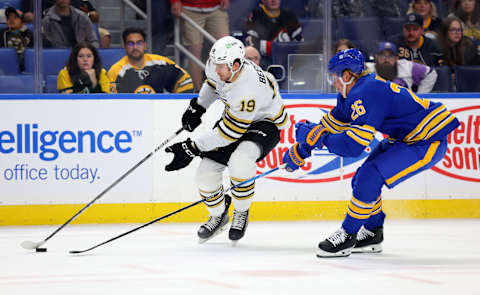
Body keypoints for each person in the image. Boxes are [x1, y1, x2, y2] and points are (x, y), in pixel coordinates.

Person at [282, 48, 459, 257]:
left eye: (334, 78)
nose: (333, 83)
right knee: (360, 179)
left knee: (369, 177)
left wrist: (317, 138)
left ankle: (348, 235)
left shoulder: (366, 92)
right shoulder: (353, 92)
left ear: (346, 75)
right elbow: (329, 126)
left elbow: (353, 146)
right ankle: (373, 232)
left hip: (427, 141)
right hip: (406, 139)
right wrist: (303, 149)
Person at [164, 36, 288, 245]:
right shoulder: (218, 65)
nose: (216, 70)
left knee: (240, 162)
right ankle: (219, 215)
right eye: (214, 64)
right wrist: (199, 106)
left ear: (237, 65)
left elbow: (230, 133)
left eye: (221, 67)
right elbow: (213, 83)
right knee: (205, 175)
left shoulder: (248, 90)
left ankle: (241, 212)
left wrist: (191, 147)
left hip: (266, 122)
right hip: (235, 117)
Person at [108, 27, 193, 94]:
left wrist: (175, 103)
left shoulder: (162, 63)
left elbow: (185, 81)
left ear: (145, 45)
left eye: (139, 43)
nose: (135, 47)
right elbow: (112, 100)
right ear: (125, 47)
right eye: (130, 43)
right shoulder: (116, 71)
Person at [170, 0, 230, 91]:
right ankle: (197, 91)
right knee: (195, 49)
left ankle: (214, 85)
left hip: (217, 7)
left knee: (225, 44)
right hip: (189, 7)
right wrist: (175, 1)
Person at [245, 0, 304, 68]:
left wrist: (281, 49)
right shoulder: (256, 14)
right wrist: (281, 48)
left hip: (287, 60)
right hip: (264, 61)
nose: (273, 0)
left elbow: (299, 41)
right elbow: (251, 43)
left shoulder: (289, 14)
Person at [366, 42, 438, 93]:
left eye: (390, 56)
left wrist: (421, 96)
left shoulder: (407, 67)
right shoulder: (367, 69)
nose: (386, 60)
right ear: (376, 57)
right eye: (382, 56)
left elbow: (431, 73)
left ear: (397, 58)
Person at [0, 7, 33, 72]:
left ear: (22, 22)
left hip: (25, 68)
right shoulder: (1, 33)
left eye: (15, 17)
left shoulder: (30, 34)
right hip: (4, 66)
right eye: (9, 18)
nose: (11, 20)